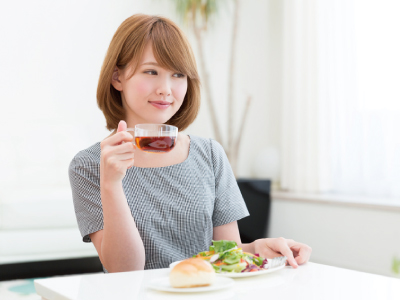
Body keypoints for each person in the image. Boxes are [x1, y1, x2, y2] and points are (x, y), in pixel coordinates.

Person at [69, 14, 312, 273]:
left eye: (178, 74)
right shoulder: (89, 164)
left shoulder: (209, 154)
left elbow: (225, 255)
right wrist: (111, 183)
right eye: (151, 71)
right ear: (117, 77)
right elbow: (124, 272)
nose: (166, 89)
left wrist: (257, 248)